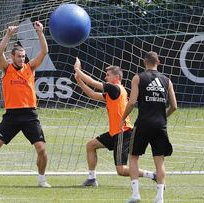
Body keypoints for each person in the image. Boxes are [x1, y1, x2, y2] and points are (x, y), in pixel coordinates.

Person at [0, 21, 51, 187]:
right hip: (11, 115)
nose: (22, 58)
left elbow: (44, 51)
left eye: (23, 56)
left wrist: (40, 32)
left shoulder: (30, 67)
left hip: (29, 115)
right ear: (12, 57)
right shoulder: (7, 69)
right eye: (19, 56)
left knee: (41, 149)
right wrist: (8, 35)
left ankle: (41, 179)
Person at [73, 58, 156, 187]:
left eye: (108, 75)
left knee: (121, 170)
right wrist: (79, 80)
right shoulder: (114, 91)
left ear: (117, 77)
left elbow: (93, 83)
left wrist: (78, 69)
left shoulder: (115, 88)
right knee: (91, 145)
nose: (105, 77)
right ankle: (92, 179)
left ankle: (152, 175)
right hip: (115, 132)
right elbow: (93, 95)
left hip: (123, 131)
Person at [120, 51, 177, 203]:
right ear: (158, 62)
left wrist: (123, 117)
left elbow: (131, 102)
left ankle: (135, 195)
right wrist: (163, 116)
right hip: (160, 125)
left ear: (145, 62)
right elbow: (174, 106)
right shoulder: (167, 81)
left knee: (133, 157)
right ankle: (159, 198)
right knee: (159, 160)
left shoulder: (138, 78)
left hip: (143, 124)